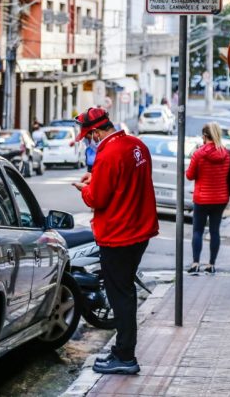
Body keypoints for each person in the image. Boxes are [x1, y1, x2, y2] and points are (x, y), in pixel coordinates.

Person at [71, 107, 158, 375]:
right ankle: (122, 350)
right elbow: (125, 181)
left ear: (96, 132)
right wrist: (95, 179)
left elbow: (97, 199)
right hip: (140, 230)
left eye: (89, 136)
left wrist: (85, 188)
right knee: (126, 292)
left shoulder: (107, 153)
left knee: (120, 296)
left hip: (119, 236)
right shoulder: (137, 145)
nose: (90, 140)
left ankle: (125, 355)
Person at [185, 122, 230, 275]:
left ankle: (196, 263)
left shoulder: (199, 153)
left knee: (198, 231)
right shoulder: (226, 153)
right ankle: (211, 264)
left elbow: (190, 175)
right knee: (215, 231)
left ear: (204, 136)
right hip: (220, 198)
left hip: (202, 198)